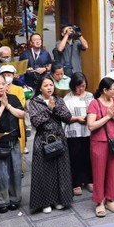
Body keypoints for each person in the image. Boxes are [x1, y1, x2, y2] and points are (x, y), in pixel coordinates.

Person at [28, 74, 73, 213]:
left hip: (59, 137)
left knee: (60, 170)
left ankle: (59, 199)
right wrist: (49, 109)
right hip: (42, 139)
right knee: (44, 171)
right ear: (40, 88)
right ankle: (45, 202)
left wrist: (55, 108)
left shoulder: (58, 99)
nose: (49, 88)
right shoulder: (35, 102)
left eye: (51, 85)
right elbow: (36, 121)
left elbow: (68, 117)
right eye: (46, 85)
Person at [86, 77, 114, 217]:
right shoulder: (94, 103)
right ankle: (99, 202)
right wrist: (107, 117)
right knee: (98, 173)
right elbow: (91, 125)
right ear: (104, 90)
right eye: (113, 89)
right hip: (99, 143)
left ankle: (110, 199)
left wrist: (113, 116)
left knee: (113, 172)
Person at [0, 74, 25, 212]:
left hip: (13, 140)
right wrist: (2, 106)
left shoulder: (12, 98)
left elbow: (21, 114)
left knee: (16, 171)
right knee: (1, 174)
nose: (1, 87)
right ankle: (2, 201)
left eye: (3, 84)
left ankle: (15, 199)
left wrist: (8, 106)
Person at [63, 72, 94, 196]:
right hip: (73, 132)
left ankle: (88, 180)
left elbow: (95, 111)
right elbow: (64, 116)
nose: (81, 89)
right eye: (79, 86)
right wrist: (76, 118)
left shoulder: (90, 96)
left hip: (88, 131)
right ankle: (76, 183)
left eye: (83, 86)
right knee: (75, 157)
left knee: (88, 157)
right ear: (73, 85)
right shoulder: (67, 98)